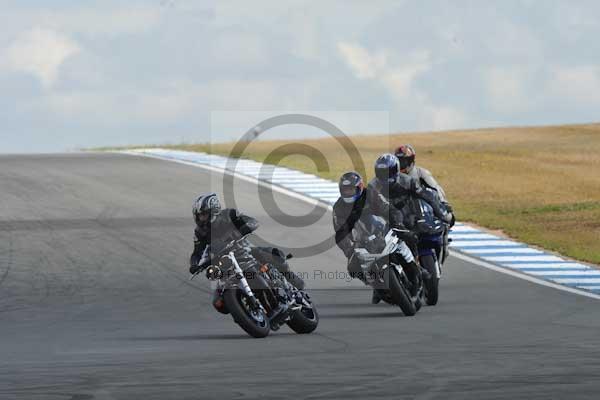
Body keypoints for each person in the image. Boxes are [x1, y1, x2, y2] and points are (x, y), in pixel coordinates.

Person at [189, 193, 304, 312]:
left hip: (244, 250)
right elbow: (197, 253)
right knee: (218, 303)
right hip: (223, 262)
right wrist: (194, 265)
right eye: (199, 216)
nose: (200, 218)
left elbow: (252, 222)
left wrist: (241, 231)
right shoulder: (200, 232)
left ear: (214, 210)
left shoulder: (229, 214)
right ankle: (246, 307)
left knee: (275, 255)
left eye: (203, 215)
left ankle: (293, 285)